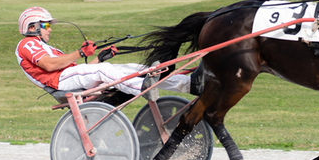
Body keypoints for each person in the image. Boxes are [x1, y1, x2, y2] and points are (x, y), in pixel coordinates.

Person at [15, 6, 202, 98]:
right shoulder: (27, 44)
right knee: (105, 70)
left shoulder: (46, 47)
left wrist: (99, 58)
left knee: (136, 68)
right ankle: (142, 89)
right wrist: (81, 52)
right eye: (46, 25)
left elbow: (80, 71)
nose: (50, 29)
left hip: (68, 77)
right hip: (60, 82)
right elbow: (49, 65)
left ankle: (187, 84)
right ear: (32, 27)